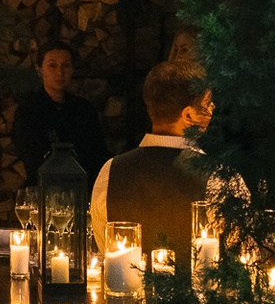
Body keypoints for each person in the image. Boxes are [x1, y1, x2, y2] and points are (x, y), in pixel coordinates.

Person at [90, 59, 215, 253]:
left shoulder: (111, 171)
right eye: (207, 103)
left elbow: (105, 246)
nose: (212, 108)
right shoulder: (216, 175)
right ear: (188, 115)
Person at [12, 41, 109, 185]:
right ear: (40, 70)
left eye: (66, 66)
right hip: (44, 188)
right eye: (52, 65)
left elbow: (98, 153)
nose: (60, 73)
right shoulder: (28, 112)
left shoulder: (84, 110)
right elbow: (30, 157)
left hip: (84, 187)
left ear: (72, 69)